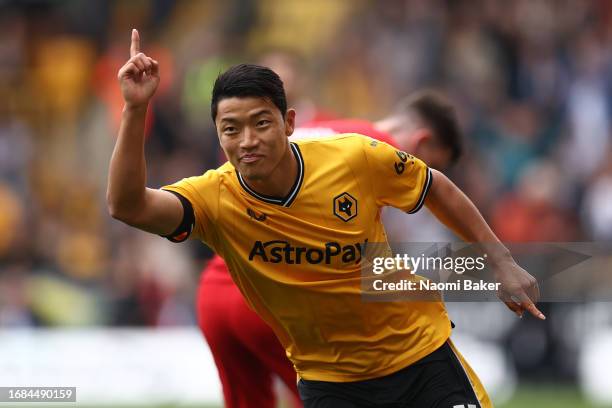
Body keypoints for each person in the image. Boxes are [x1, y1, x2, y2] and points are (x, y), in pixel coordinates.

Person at [108, 30, 544, 407]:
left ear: (290, 122)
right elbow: (128, 206)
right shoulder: (212, 197)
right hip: (331, 384)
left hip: (418, 356)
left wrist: (501, 261)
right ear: (217, 134)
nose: (247, 141)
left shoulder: (355, 156)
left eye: (261, 123)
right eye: (230, 129)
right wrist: (135, 110)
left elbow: (435, 187)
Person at [197, 90, 461, 408]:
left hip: (216, 294)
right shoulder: (371, 152)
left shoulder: (322, 129)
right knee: (333, 388)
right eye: (429, 165)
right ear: (421, 144)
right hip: (270, 298)